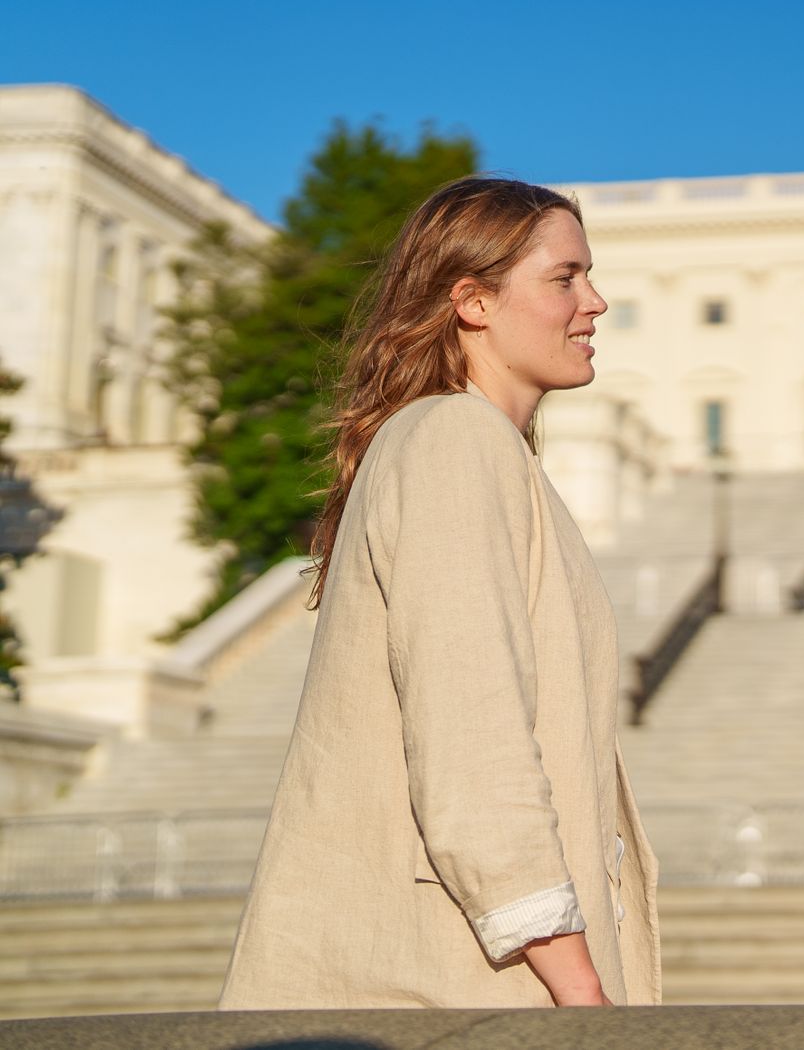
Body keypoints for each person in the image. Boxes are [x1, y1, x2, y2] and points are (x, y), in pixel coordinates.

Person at [221, 177, 661, 1009]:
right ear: (473, 302)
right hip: (457, 982)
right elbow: (472, 730)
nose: (594, 302)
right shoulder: (453, 441)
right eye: (564, 278)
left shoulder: (469, 448)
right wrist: (579, 989)